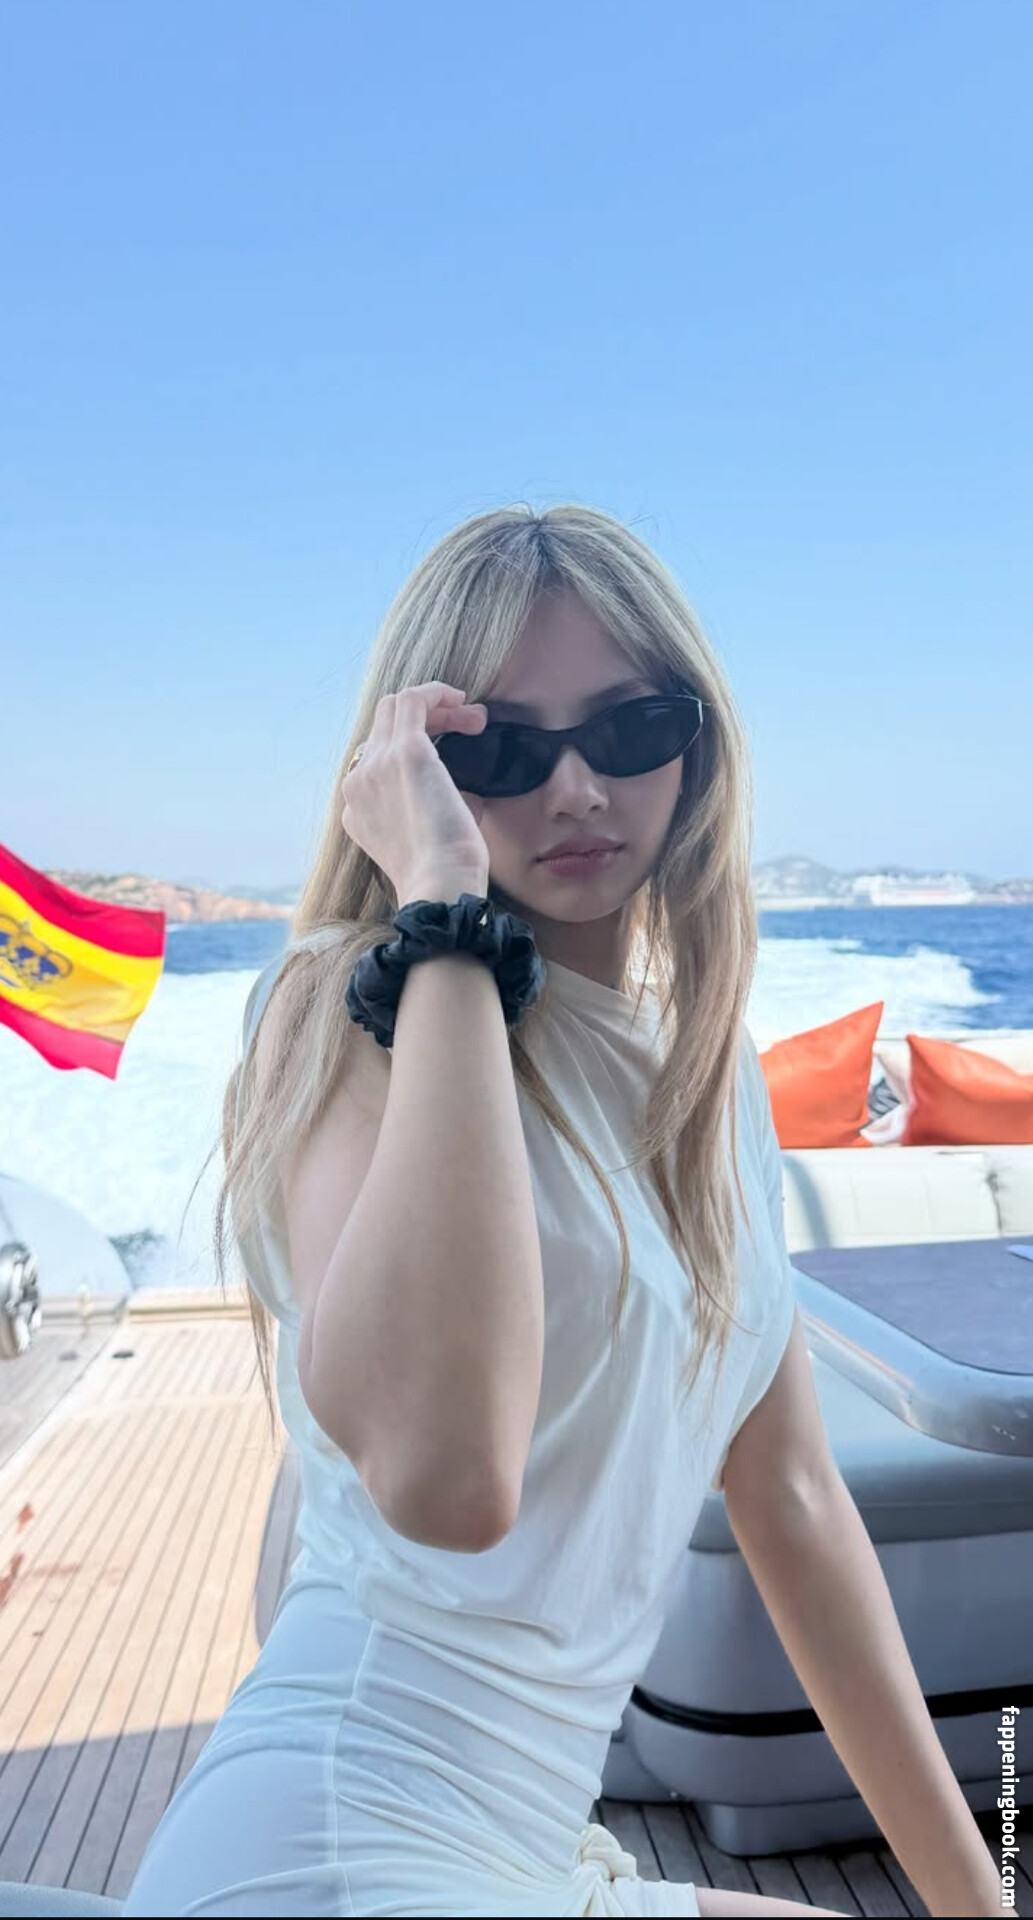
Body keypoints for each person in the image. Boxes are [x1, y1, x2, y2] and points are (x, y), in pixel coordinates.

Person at [123, 505, 992, 1918]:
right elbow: (447, 1479)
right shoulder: (348, 1007)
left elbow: (788, 1494)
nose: (576, 787)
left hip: (536, 1848)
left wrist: (973, 1899)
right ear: (410, 773)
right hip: (337, 1842)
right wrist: (443, 914)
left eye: (630, 726)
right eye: (499, 751)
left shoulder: (707, 1074)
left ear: (697, 746)